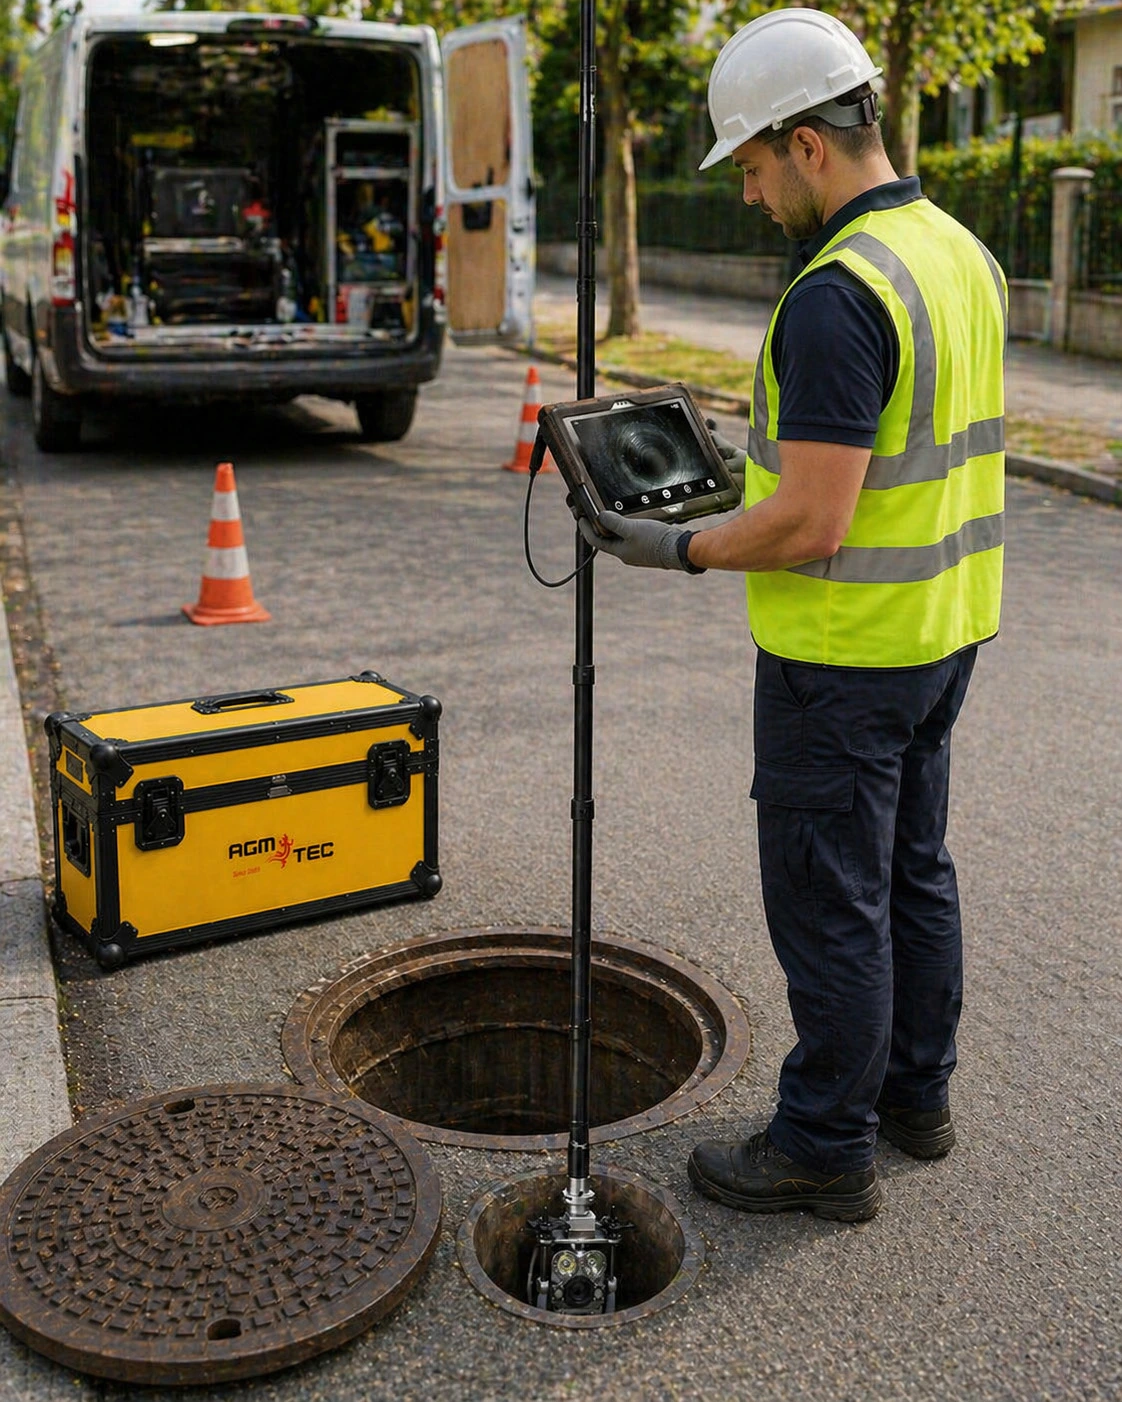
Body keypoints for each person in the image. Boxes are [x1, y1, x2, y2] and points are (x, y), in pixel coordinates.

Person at [582, 8, 1007, 1222]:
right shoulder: (958, 252)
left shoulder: (836, 295)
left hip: (841, 657)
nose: (756, 197)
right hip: (942, 633)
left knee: (832, 901)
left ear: (808, 143)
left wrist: (681, 544)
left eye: (758, 167)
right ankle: (914, 1097)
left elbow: (815, 521)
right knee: (914, 871)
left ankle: (826, 1143)